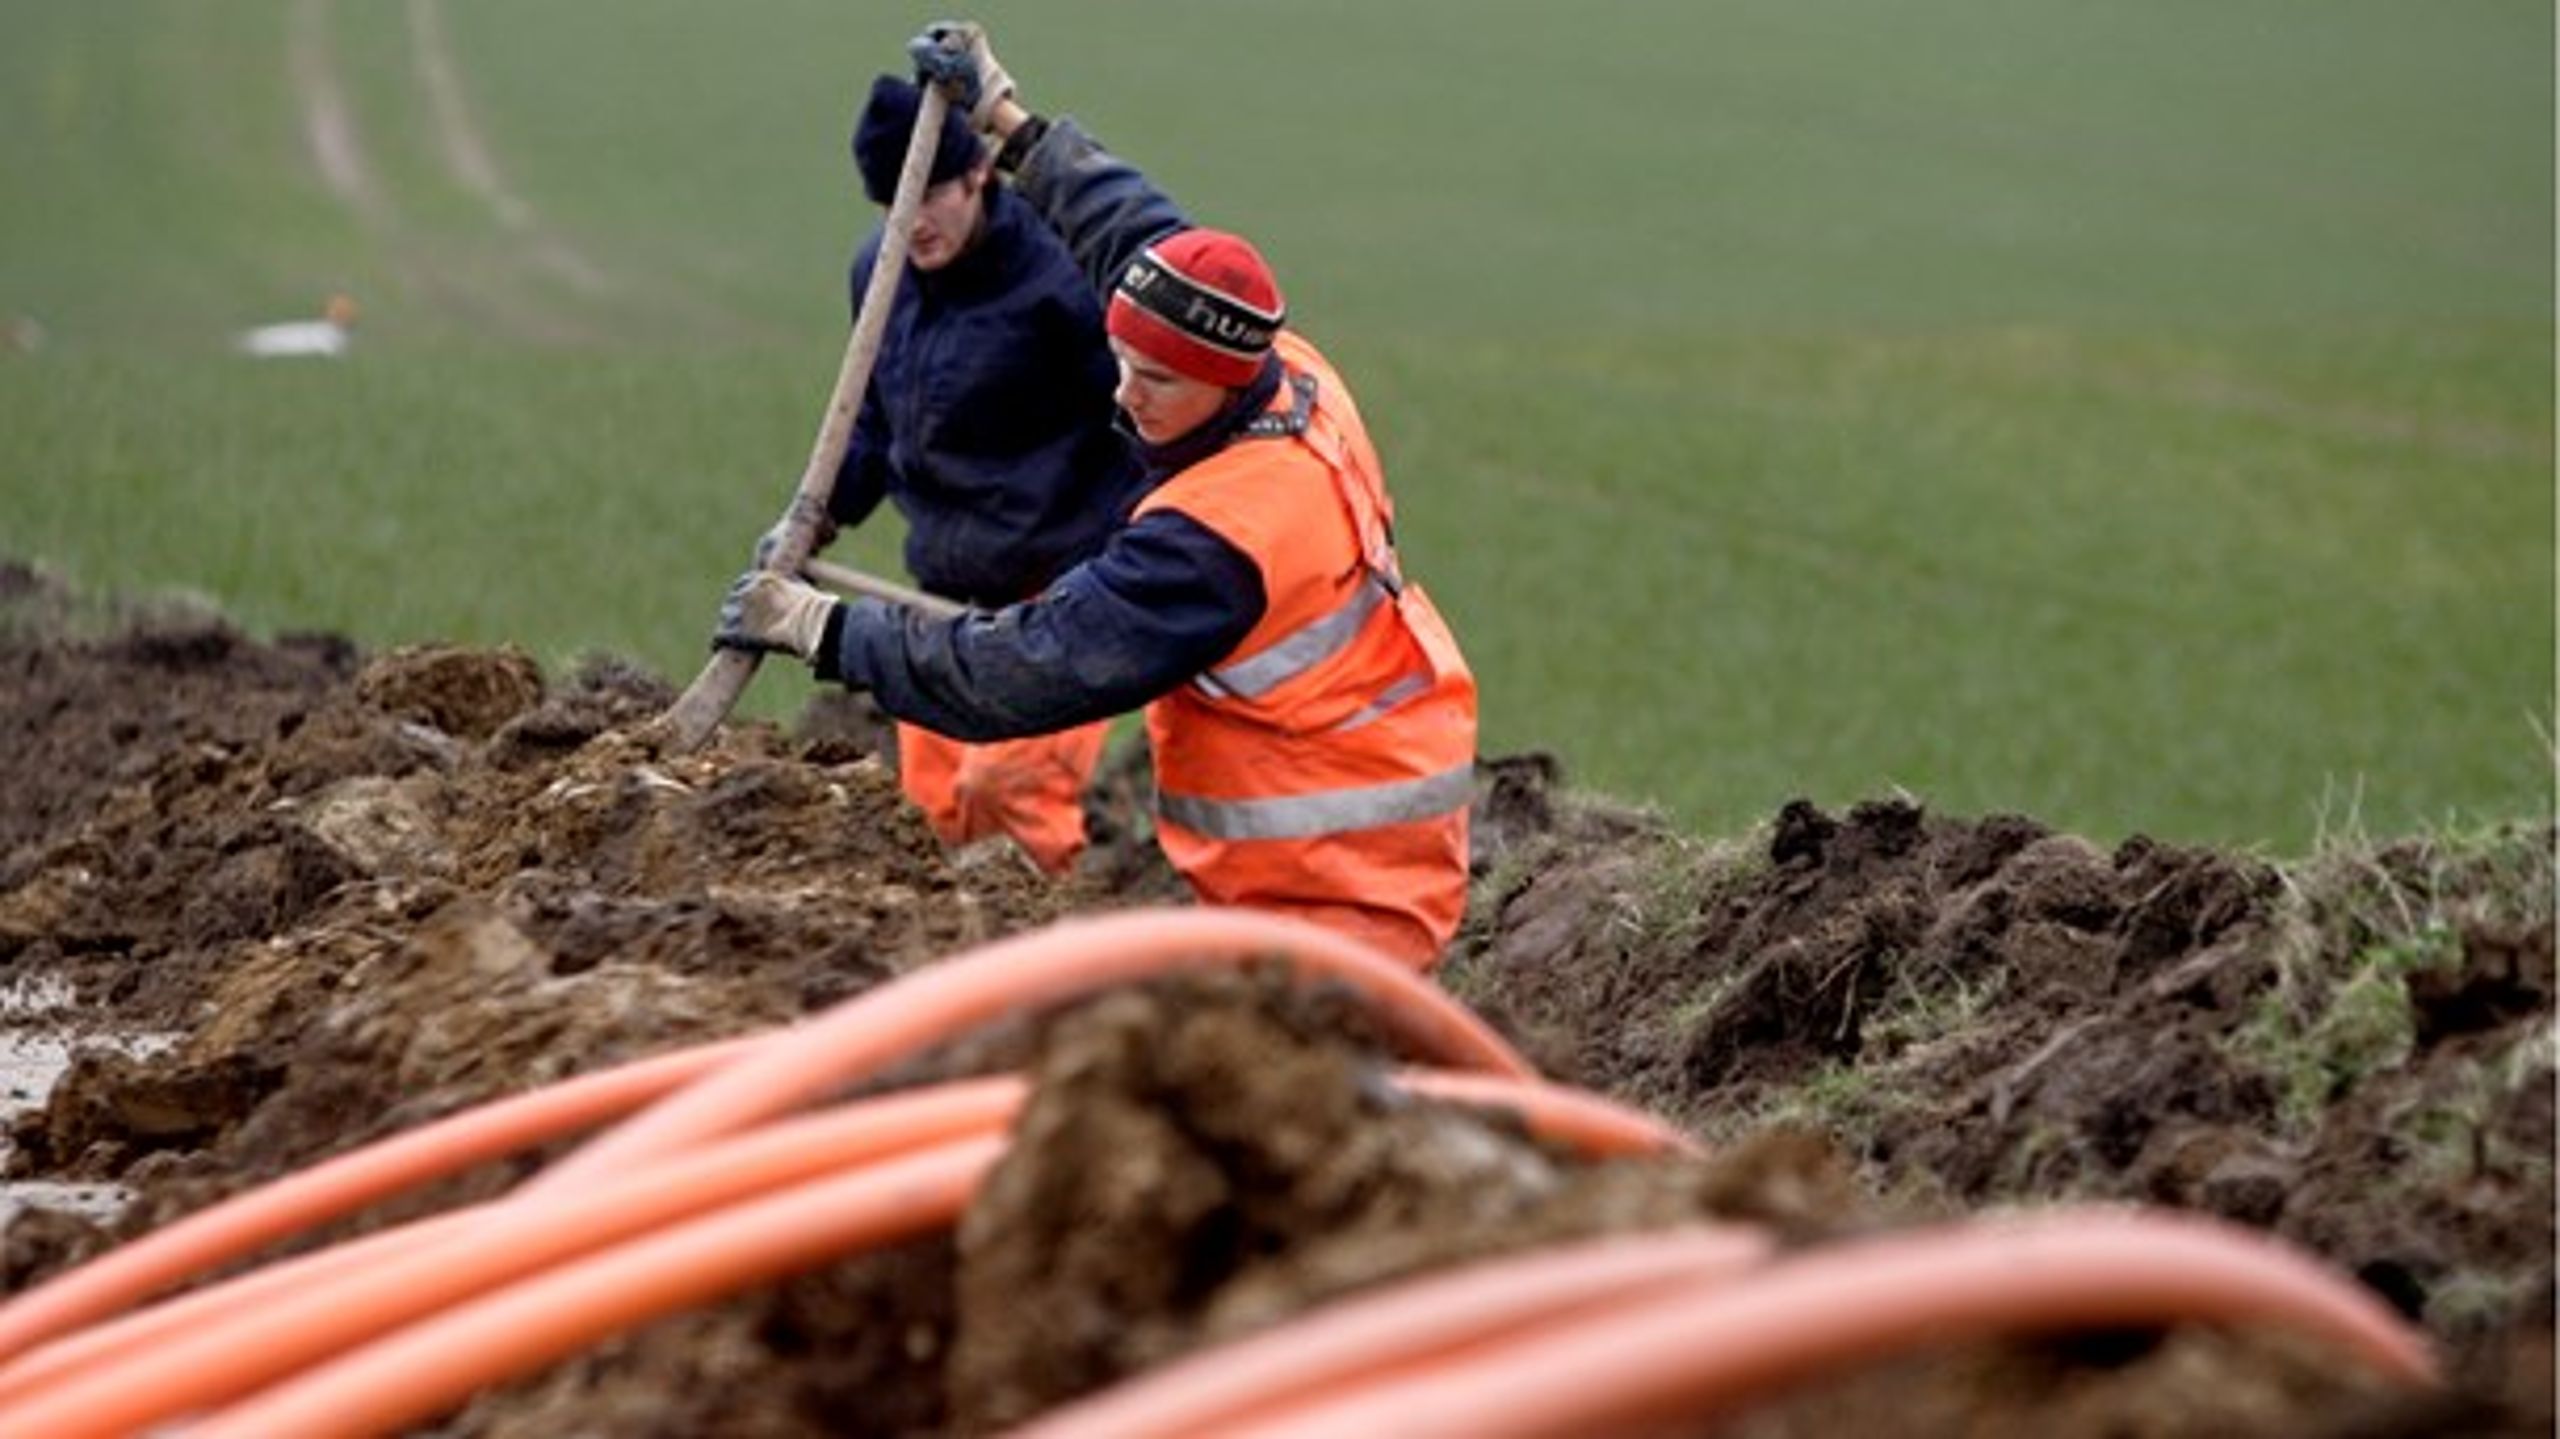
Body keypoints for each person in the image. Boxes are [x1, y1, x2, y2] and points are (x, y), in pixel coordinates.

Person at [720, 24, 1479, 967]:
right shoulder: (1282, 364)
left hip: (1336, 871)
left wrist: (823, 630)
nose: (1124, 395)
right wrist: (1009, 119)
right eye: (1121, 361)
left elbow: (1026, 670)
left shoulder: (1209, 538)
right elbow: (1139, 233)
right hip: (1326, 810)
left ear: (1219, 380)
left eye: (1155, 380)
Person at [789, 74, 1144, 876]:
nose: (911, 222)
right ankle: (958, 952)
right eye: (891, 204)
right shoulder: (878, 277)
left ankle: (1054, 945)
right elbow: (871, 421)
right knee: (937, 815)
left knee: (1009, 794)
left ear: (978, 172)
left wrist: (1142, 553)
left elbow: (1140, 418)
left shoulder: (1059, 279)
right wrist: (817, 518)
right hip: (945, 594)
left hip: (1061, 598)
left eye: (928, 195)